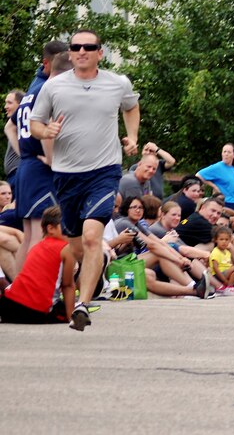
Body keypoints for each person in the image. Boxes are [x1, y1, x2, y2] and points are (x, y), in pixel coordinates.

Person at [29, 29, 140, 331]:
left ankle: (82, 304)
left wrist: (131, 137)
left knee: (93, 237)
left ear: (99, 53)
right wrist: (45, 132)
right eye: (75, 47)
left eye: (88, 47)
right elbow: (34, 124)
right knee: (77, 246)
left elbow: (131, 106)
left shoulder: (117, 83)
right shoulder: (54, 87)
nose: (81, 52)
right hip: (66, 174)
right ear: (70, 53)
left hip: (104, 170)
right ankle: (97, 270)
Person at [6, 50, 73, 270]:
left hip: (25, 166)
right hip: (40, 170)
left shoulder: (31, 91)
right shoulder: (50, 91)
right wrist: (53, 161)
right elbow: (48, 128)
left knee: (28, 235)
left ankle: (17, 289)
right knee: (39, 234)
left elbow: (10, 126)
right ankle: (31, 291)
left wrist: (24, 152)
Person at [0, 205, 76, 324]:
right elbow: (68, 285)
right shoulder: (66, 249)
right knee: (65, 310)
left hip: (9, 305)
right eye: (67, 226)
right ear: (51, 228)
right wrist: (71, 317)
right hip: (36, 310)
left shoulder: (35, 247)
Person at [197, 143, 234, 212]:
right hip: (223, 202)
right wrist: (214, 186)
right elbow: (198, 175)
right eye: (224, 152)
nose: (226, 154)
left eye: (229, 152)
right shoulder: (217, 167)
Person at [3, 89, 24, 191]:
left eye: (9, 103)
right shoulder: (16, 124)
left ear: (21, 104)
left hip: (19, 173)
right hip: (13, 176)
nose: (5, 106)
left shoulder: (23, 125)